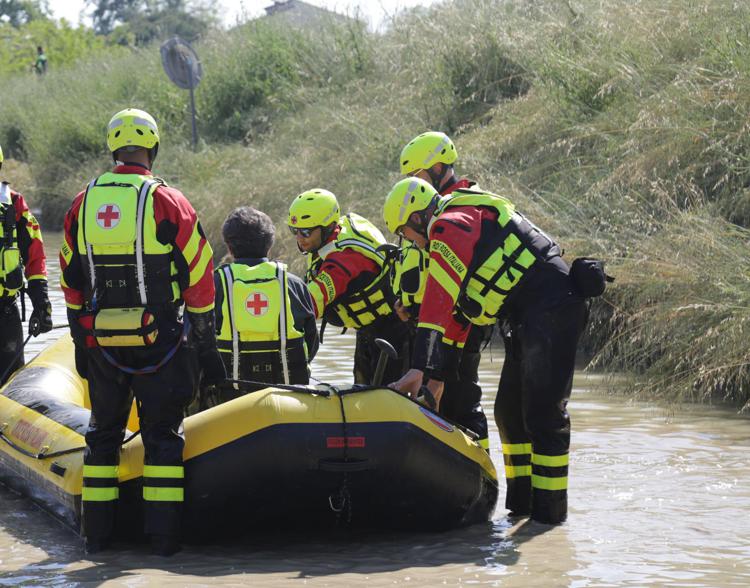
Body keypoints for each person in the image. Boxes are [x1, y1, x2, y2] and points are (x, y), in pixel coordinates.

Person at [59, 108, 225, 555]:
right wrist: (205, 339)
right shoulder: (167, 200)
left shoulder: (82, 202)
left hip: (102, 343)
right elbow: (199, 272)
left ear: (113, 149)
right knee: (163, 436)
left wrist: (79, 337)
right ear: (152, 148)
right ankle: (163, 543)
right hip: (162, 343)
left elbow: (71, 277)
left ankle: (96, 539)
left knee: (102, 435)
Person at [383, 176, 588, 525]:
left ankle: (548, 519)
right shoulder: (458, 230)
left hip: (554, 308)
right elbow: (459, 318)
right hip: (525, 316)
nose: (411, 243)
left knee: (543, 416)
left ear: (418, 219)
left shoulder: (451, 224)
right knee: (508, 413)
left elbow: (437, 304)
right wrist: (436, 380)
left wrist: (419, 367)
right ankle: (520, 508)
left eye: (405, 233)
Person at [392, 131, 489, 449]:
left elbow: (451, 270)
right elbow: (415, 259)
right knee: (428, 403)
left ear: (437, 167)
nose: (413, 182)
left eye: (417, 173)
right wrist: (406, 300)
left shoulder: (460, 207)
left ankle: (480, 470)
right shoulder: (422, 207)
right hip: (425, 320)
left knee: (461, 399)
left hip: (456, 317)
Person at [288, 189, 409, 386]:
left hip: (393, 332)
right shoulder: (330, 239)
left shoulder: (345, 260)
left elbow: (310, 304)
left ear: (327, 226)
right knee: (362, 389)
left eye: (306, 231)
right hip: (366, 331)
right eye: (295, 231)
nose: (299, 238)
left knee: (388, 395)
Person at [212, 206, 318, 403]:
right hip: (289, 395)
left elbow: (198, 340)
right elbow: (312, 342)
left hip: (227, 400)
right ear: (270, 244)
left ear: (228, 246)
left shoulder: (215, 285)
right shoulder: (294, 284)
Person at [0, 144, 53, 385]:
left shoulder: (13, 204)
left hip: (5, 312)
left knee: (10, 383)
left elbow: (35, 256)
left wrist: (41, 303)